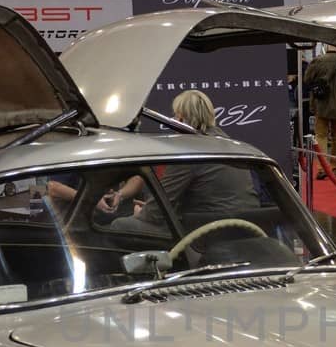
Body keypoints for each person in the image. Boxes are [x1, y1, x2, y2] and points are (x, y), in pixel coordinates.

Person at [107, 90, 255, 237]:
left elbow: (154, 214)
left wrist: (141, 214)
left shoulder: (187, 152)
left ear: (181, 118)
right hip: (247, 227)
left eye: (175, 115)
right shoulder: (232, 144)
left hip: (207, 232)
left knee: (120, 225)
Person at [304, 43, 336, 178]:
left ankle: (322, 168)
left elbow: (307, 79)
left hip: (322, 106)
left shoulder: (318, 61)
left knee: (321, 137)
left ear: (327, 46)